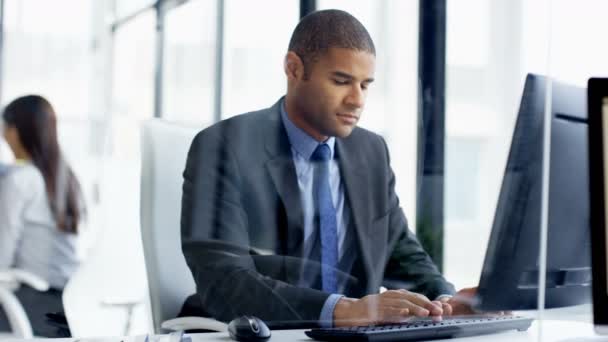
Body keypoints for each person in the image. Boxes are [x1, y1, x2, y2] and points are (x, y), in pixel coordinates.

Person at [180, 9, 475, 329]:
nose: (356, 100)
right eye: (341, 81)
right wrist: (344, 310)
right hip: (256, 330)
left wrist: (446, 301)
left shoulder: (370, 152)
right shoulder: (225, 147)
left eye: (365, 85)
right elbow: (224, 282)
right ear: (294, 68)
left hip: (353, 335)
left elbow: (401, 253)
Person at [0, 95, 86, 337]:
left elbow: (2, 261)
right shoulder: (65, 177)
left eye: (4, 128)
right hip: (71, 308)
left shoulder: (20, 180)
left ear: (15, 131)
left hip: (32, 306)